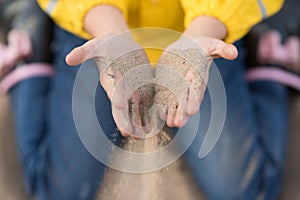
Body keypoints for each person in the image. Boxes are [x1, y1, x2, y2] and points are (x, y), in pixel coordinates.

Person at [10, 0, 286, 199]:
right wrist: (108, 27)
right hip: (94, 28)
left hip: (210, 30)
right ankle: (29, 41)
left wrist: (206, 27)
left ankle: (269, 45)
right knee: (56, 190)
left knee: (248, 190)